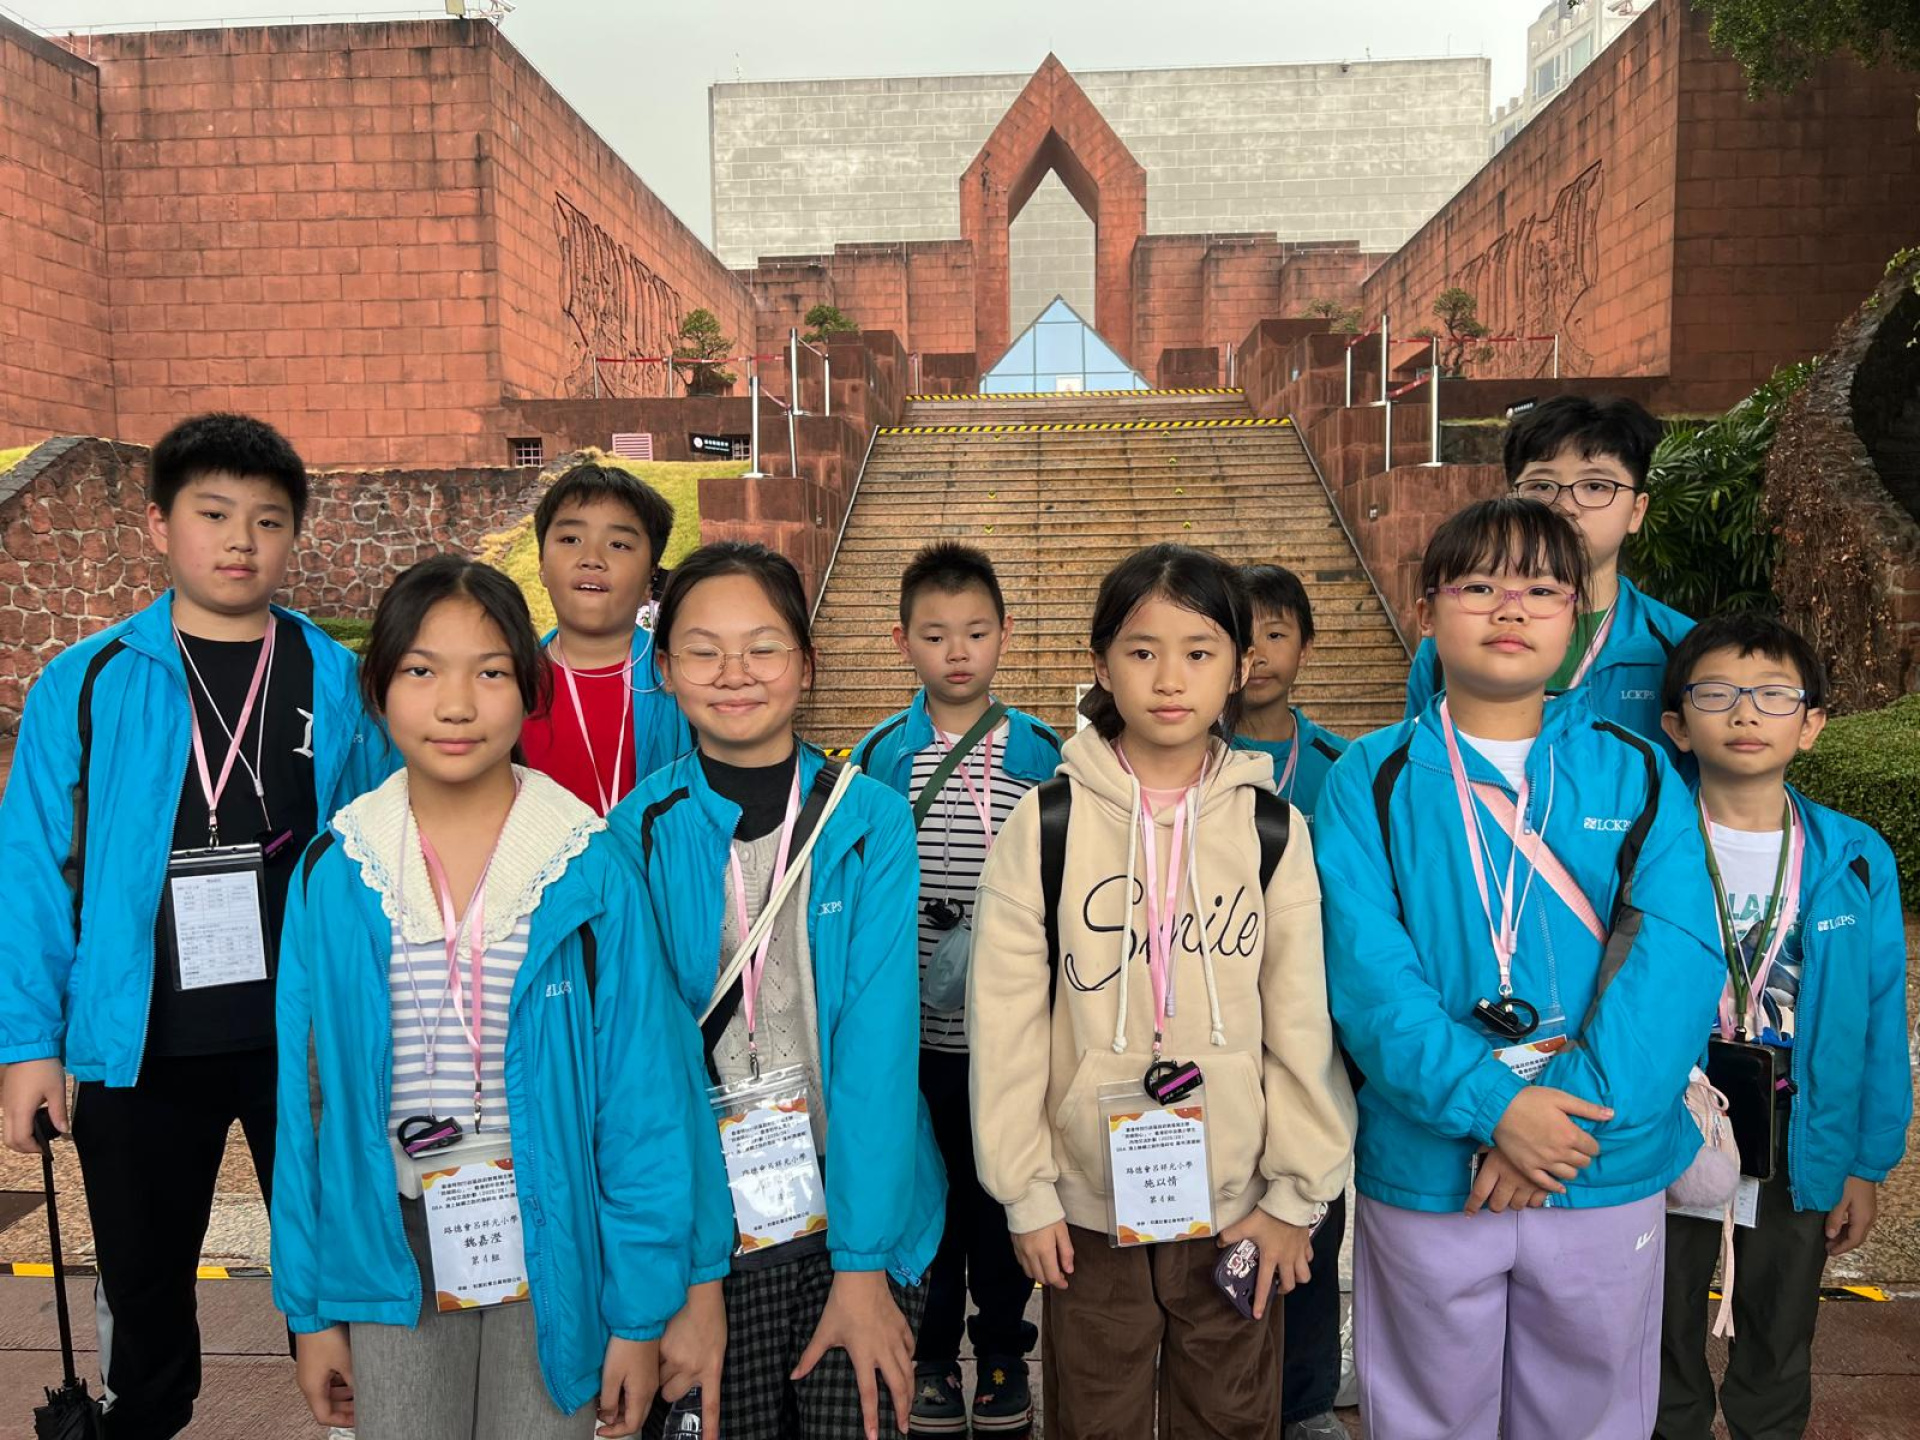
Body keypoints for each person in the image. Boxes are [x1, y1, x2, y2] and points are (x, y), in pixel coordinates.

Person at [0, 413, 390, 1440]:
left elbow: (378, 851)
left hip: (302, 1037)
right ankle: (143, 1418)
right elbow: (33, 870)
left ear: (293, 534)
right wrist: (30, 1045)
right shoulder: (88, 681)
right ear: (158, 524)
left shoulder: (333, 679)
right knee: (143, 1290)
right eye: (213, 514)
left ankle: (352, 1415)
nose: (240, 541)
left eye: (268, 520)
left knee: (335, 1267)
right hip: (140, 1042)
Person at [272, 556, 717, 1440]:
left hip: (556, 1232)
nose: (455, 705)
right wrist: (309, 1310)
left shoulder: (588, 867)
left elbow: (642, 1100)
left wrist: (639, 1315)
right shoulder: (336, 869)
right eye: (421, 670)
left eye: (489, 672)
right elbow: (307, 1103)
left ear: (528, 689)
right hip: (390, 1243)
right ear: (378, 686)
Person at [1316, 496, 1725, 1439]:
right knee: (1427, 1414)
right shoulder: (1369, 776)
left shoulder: (1638, 770)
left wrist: (1562, 1115)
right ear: (1426, 608)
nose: (1511, 609)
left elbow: (1674, 958)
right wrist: (1494, 1107)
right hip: (1430, 1165)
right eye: (1478, 586)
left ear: (1577, 613)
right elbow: (1367, 977)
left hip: (1599, 1156)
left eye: (1542, 589)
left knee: (1588, 1415)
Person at [967, 543, 1355, 1440]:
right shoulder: (1047, 823)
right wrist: (1025, 1193)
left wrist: (1296, 1196)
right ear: (1101, 665)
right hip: (1085, 1211)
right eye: (1142, 651)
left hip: (1234, 1207)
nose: (1170, 678)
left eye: (1199, 651)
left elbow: (1301, 1025)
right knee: (1092, 1416)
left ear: (1239, 668)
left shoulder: (1272, 829)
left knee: (1229, 1416)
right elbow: (1007, 1025)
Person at [609, 541, 945, 1440]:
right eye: (703, 650)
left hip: (858, 1207)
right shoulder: (637, 831)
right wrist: (695, 1280)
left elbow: (878, 1052)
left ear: (806, 662)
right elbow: (652, 1072)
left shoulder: (869, 818)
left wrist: (863, 1269)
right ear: (664, 669)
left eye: (762, 647)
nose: (735, 673)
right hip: (707, 1223)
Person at [1655, 614, 1911, 1440]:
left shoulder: (1855, 856)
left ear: (1811, 724)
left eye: (1773, 695)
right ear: (1676, 725)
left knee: (1780, 1323)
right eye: (1717, 694)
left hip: (1800, 1135)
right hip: (1670, 1124)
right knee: (1657, 1324)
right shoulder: (1647, 841)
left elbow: (1879, 1019)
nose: (1745, 712)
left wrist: (1866, 1164)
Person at [852, 541, 1060, 1437]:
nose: (958, 652)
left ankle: (1004, 1349)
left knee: (1004, 1193)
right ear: (903, 642)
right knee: (926, 1196)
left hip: (1010, 1034)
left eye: (975, 632)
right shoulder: (878, 757)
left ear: (1005, 633)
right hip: (913, 1034)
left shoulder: (1045, 753)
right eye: (935, 636)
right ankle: (932, 1355)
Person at [1403, 395, 1693, 756]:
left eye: (1595, 486)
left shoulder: (1680, 646)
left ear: (1637, 511)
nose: (1565, 507)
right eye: (1541, 486)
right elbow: (1414, 760)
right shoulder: (1450, 641)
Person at [1232, 563, 1350, 1435]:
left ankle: (1304, 1399)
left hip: (1316, 1020)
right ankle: (1227, 1392)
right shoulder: (1184, 762)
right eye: (1241, 636)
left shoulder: (1343, 770)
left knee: (1312, 1210)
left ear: (1307, 645)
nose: (1259, 653)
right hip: (1220, 1025)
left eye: (1277, 633)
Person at [521, 461, 691, 813]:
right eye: (570, 539)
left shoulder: (686, 680)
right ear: (541, 564)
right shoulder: (508, 684)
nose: (592, 559)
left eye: (619, 544)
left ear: (651, 579)